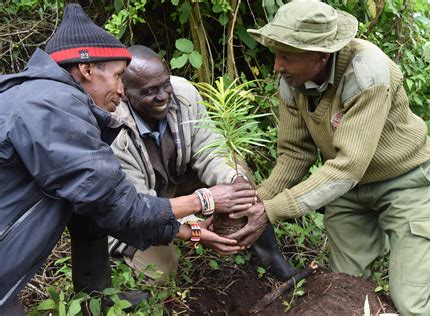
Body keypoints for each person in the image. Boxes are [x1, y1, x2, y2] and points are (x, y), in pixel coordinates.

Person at [222, 1, 430, 315]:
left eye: (286, 56)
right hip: (347, 192)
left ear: (321, 54)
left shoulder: (367, 73)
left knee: (416, 305)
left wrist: (271, 211)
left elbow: (349, 166)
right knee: (345, 291)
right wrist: (256, 203)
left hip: (403, 183)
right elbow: (295, 153)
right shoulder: (292, 82)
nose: (277, 66)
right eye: (276, 55)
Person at [0, 4, 255, 315]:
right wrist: (203, 200)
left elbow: (98, 209)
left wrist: (193, 232)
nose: (122, 90)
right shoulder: (51, 106)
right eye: (119, 76)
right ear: (87, 69)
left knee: (87, 217)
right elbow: (122, 206)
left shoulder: (47, 99)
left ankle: (96, 299)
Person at [106, 45, 296, 281]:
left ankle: (267, 253)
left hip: (178, 186)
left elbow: (210, 148)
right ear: (126, 93)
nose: (163, 96)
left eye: (165, 84)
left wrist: (234, 180)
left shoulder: (183, 93)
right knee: (161, 274)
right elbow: (141, 210)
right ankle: (192, 227)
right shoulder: (114, 131)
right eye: (149, 91)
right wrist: (194, 232)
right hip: (141, 209)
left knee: (234, 168)